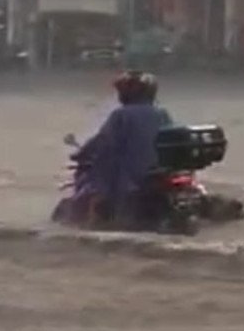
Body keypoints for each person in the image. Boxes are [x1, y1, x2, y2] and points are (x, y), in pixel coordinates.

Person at [74, 70, 173, 228]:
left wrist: (81, 153)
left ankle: (94, 223)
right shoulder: (162, 114)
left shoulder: (121, 115)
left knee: (98, 190)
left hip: (133, 175)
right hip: (159, 170)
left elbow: (103, 140)